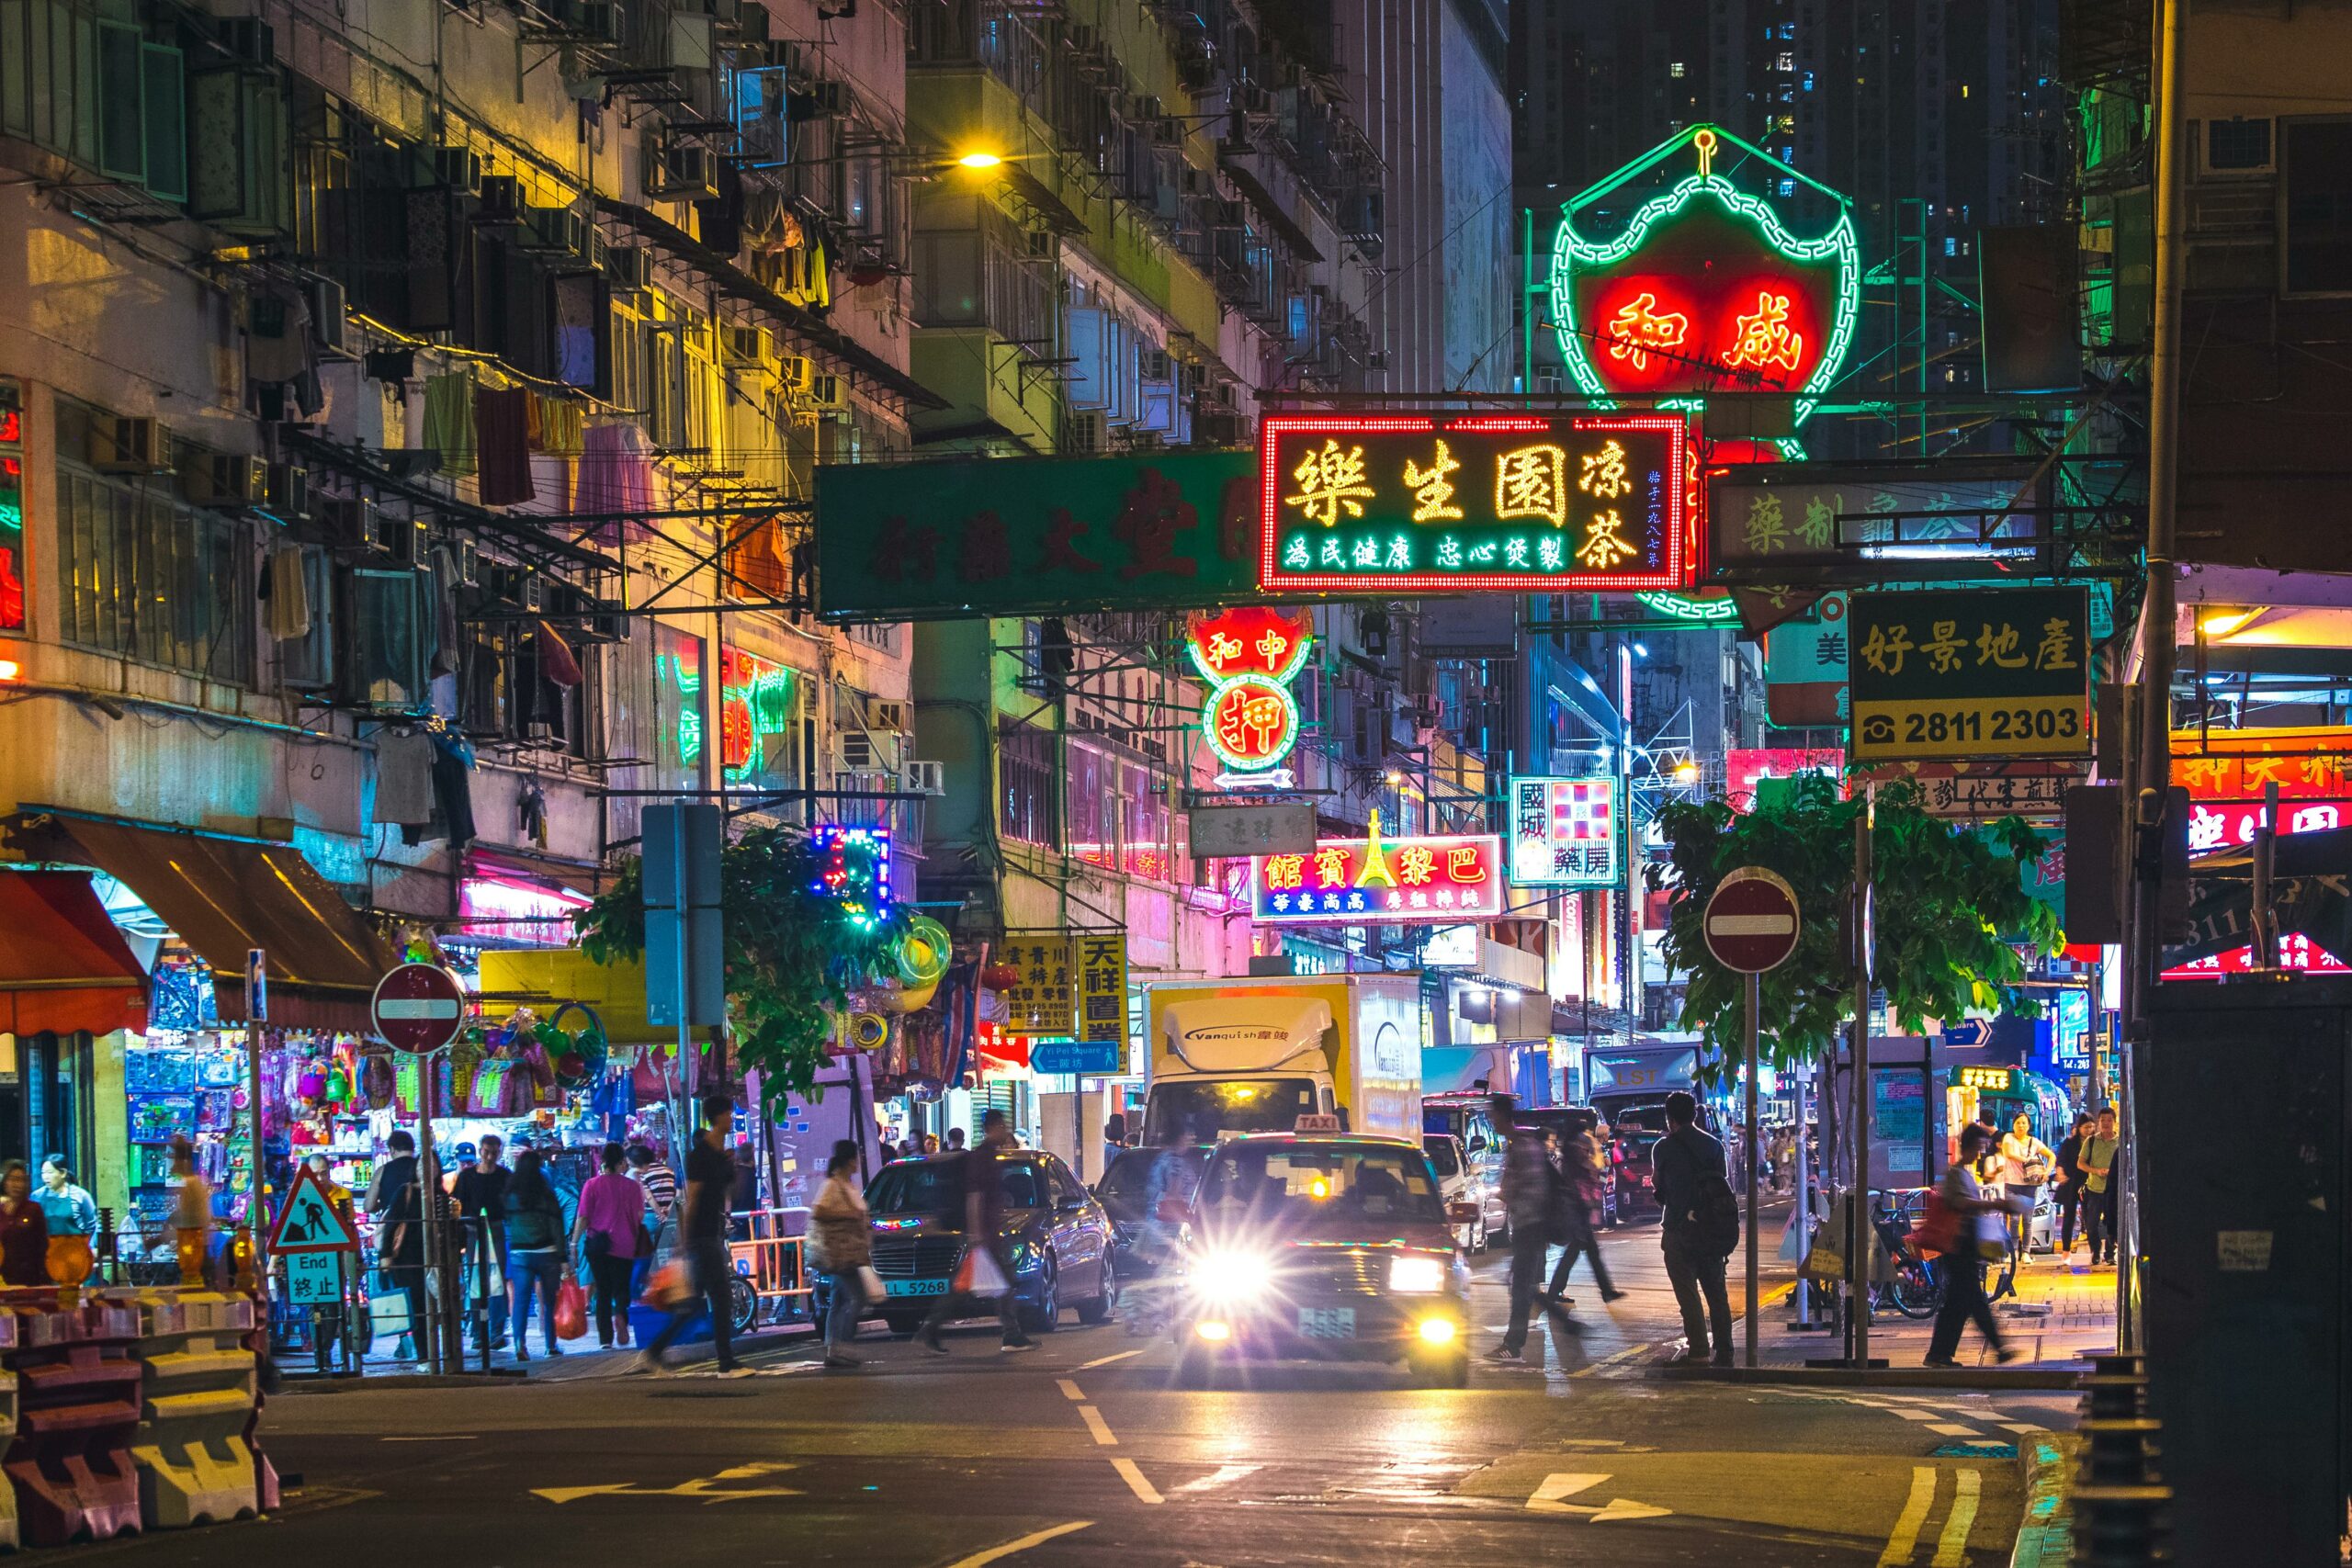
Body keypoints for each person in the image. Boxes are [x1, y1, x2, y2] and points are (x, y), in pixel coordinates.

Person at [640, 1095, 751, 1377]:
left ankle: (654, 1352)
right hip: (701, 1236)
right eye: (728, 1113)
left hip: (712, 1233)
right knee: (721, 1297)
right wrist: (683, 1242)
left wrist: (734, 1166)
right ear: (719, 1117)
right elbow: (693, 1198)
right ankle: (726, 1363)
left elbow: (730, 1194)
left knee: (692, 1305)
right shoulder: (699, 1155)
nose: (731, 1117)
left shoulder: (720, 1154)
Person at [916, 1109, 1035, 1356]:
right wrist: (976, 1234)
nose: (1005, 1130)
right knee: (992, 1283)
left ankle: (931, 1328)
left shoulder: (991, 1156)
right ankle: (1009, 1333)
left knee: (980, 1284)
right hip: (983, 1234)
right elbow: (974, 1196)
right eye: (1002, 1125)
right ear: (991, 1128)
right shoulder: (981, 1158)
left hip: (988, 1232)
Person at [1926, 1123, 2025, 1367]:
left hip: (1965, 1246)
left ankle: (1939, 1353)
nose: (1981, 1154)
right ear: (1968, 1146)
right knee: (1974, 1301)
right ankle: (1999, 1347)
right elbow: (1961, 1204)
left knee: (1957, 1305)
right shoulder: (1956, 1175)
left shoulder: (1965, 1174)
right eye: (1979, 1148)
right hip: (1957, 1246)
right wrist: (1996, 1205)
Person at [1652, 1090, 1735, 1366]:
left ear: (1669, 1118)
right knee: (1716, 1292)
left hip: (1678, 1230)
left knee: (1687, 1293)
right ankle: (1725, 1350)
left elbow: (1659, 1187)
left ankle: (1698, 1349)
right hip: (1711, 1228)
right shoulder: (1714, 1146)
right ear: (1695, 1114)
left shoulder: (1663, 1148)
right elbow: (1722, 1185)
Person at [1487, 1095, 1560, 1362]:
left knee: (1521, 1287)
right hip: (1530, 1225)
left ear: (1502, 1115)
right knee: (1522, 1284)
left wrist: (1507, 1192)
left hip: (1530, 1225)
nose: (1491, 1120)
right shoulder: (1523, 1144)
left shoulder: (1521, 1147)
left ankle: (1513, 1344)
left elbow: (1523, 1187)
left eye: (1492, 1115)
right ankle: (1515, 1341)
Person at [571, 1142, 649, 1350]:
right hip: (625, 1244)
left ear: (603, 1161)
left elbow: (583, 1217)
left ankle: (605, 1339)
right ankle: (620, 1315)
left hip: (598, 1246)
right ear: (622, 1161)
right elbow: (639, 1215)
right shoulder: (632, 1186)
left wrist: (573, 1242)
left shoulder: (592, 1185)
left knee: (603, 1290)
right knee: (621, 1288)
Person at [1544, 1119, 1623, 1309]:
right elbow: (1591, 1172)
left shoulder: (1571, 1152)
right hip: (1577, 1209)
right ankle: (1602, 1291)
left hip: (1578, 1209)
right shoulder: (1575, 1153)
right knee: (1579, 1252)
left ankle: (1604, 1290)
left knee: (1585, 1252)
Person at [810, 1140, 872, 1370]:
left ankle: (833, 1349)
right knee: (858, 1298)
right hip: (842, 1253)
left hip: (851, 1252)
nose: (860, 1160)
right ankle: (842, 1347)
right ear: (850, 1160)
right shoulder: (834, 1185)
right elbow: (819, 1211)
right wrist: (850, 1215)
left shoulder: (846, 1184)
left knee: (838, 1300)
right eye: (858, 1156)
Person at [503, 1149, 568, 1360]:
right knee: (549, 1301)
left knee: (521, 1300)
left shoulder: (510, 1196)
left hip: (520, 1253)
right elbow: (556, 1227)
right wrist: (563, 1257)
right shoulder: (546, 1195)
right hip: (547, 1252)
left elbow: (508, 1223)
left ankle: (519, 1344)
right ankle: (551, 1344)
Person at [368, 1130, 427, 1360]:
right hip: (422, 1240)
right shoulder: (423, 1168)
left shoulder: (384, 1170)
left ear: (391, 1150)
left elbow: (369, 1205)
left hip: (396, 1244)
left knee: (398, 1292)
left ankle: (405, 1341)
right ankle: (425, 1343)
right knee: (422, 1297)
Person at [451, 1134, 511, 1351]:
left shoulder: (505, 1175)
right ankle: (477, 1331)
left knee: (497, 1281)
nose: (489, 1156)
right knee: (475, 1281)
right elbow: (457, 1204)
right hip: (473, 1231)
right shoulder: (467, 1177)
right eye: (486, 1151)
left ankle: (496, 1331)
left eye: (494, 1152)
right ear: (480, 1151)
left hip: (495, 1229)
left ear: (500, 1153)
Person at [1996, 1113, 2054, 1269]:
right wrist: (2028, 1160)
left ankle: (2026, 1252)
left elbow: (2051, 1156)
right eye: (2017, 1123)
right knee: (2014, 1220)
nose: (2020, 1126)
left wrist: (2046, 1172)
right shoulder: (2008, 1138)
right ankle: (2013, 1251)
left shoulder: (2034, 1142)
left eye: (2024, 1123)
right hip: (2011, 1184)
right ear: (2013, 1125)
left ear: (2029, 1126)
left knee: (2028, 1220)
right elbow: (2008, 1154)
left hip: (2030, 1185)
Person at [2079, 1107, 2120, 1267]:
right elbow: (2080, 1163)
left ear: (2114, 1122)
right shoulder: (2091, 1141)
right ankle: (2096, 1251)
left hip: (2113, 1191)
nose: (2106, 1123)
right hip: (2094, 1189)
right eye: (2103, 1120)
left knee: (2112, 1223)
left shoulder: (2120, 1142)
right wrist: (2096, 1171)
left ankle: (2110, 1254)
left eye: (2109, 1120)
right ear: (2098, 1122)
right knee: (2091, 1224)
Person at [0, 1161, 49, 1286]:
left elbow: (42, 1246)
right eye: (13, 1179)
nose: (17, 1184)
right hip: (4, 1278)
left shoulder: (34, 1209)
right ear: (5, 1182)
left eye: (22, 1180)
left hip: (30, 1279)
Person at [2053, 1112, 2094, 1256]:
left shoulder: (2096, 1142)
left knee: (2090, 1217)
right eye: (2086, 1127)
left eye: (2091, 1127)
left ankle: (2094, 1250)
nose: (2089, 1130)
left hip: (2090, 1182)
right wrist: (2060, 1172)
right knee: (2069, 1216)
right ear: (2079, 1127)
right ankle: (2066, 1250)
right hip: (2071, 1182)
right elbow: (2061, 1159)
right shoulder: (2069, 1142)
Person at [36, 1157, 96, 1237]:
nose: (46, 1177)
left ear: (63, 1173)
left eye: (50, 1172)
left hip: (74, 1247)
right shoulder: (37, 1196)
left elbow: (92, 1226)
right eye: (43, 1173)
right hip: (47, 1248)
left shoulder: (81, 1195)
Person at [627, 1144, 678, 1222]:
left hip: (652, 1214)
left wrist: (660, 1214)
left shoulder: (635, 1174)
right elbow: (675, 1193)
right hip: (667, 1212)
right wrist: (667, 1211)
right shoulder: (669, 1170)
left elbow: (649, 1196)